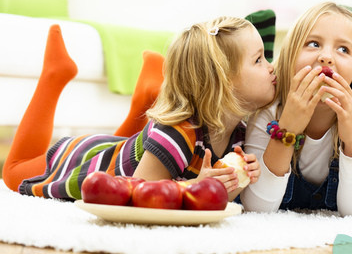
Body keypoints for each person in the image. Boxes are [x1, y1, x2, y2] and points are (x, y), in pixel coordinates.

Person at [2, 16, 276, 202]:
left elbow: (210, 199)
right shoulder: (177, 134)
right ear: (223, 84)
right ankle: (54, 75)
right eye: (259, 60)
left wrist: (232, 183)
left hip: (123, 152)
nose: (271, 66)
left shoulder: (238, 134)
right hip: (85, 163)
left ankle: (148, 93)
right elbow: (139, 192)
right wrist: (196, 186)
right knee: (13, 173)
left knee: (133, 147)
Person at [239, 2, 352, 216]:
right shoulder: (270, 105)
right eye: (314, 44)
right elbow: (257, 208)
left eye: (343, 49)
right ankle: (264, 61)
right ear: (290, 57)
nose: (326, 57)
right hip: (281, 162)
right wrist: (287, 128)